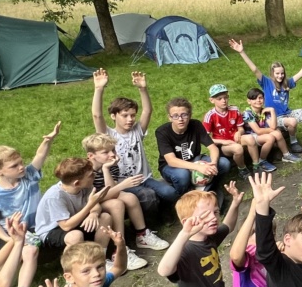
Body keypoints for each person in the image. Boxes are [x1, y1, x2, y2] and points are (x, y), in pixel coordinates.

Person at [0, 121, 61, 287]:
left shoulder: (29, 177)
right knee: (22, 254)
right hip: (10, 234)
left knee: (30, 249)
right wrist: (9, 239)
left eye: (20, 161)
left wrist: (48, 141)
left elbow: (40, 157)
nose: (21, 166)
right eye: (14, 166)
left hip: (34, 229)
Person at [156, 183, 244, 287]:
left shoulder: (208, 237)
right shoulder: (186, 250)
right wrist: (184, 234)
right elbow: (164, 270)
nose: (213, 218)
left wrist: (235, 202)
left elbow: (228, 226)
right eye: (205, 215)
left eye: (215, 212)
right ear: (186, 222)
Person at [90, 69, 178, 219]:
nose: (130, 119)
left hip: (145, 178)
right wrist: (99, 89)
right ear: (113, 116)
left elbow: (148, 111)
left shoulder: (137, 131)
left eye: (132, 115)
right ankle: (150, 223)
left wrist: (143, 89)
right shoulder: (108, 135)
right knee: (149, 196)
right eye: (124, 116)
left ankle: (163, 212)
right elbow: (97, 116)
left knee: (170, 193)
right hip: (124, 183)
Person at [82, 132, 168, 254]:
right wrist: (122, 185)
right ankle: (119, 249)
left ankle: (142, 235)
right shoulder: (86, 172)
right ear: (91, 156)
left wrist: (106, 169)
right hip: (88, 205)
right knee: (117, 204)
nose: (112, 154)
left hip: (104, 197)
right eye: (105, 152)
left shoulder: (111, 165)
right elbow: (94, 199)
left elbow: (112, 192)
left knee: (130, 197)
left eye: (113, 150)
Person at [230, 38, 302, 149]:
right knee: (292, 122)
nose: (280, 76)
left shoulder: (287, 83)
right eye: (277, 73)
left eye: (282, 73)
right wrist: (241, 52)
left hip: (288, 113)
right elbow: (254, 69)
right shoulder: (266, 83)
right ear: (272, 74)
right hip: (274, 118)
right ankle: (293, 142)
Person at [34, 158, 117, 262]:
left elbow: (95, 206)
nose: (94, 176)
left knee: (105, 217)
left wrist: (94, 214)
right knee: (75, 236)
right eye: (91, 175)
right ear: (77, 183)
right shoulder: (55, 196)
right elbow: (66, 225)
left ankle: (100, 258)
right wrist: (90, 206)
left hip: (74, 220)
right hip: (52, 230)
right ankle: (73, 269)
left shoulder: (86, 185)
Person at [155, 97, 222, 196]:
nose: (180, 119)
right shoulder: (162, 132)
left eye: (184, 115)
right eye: (175, 116)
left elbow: (213, 147)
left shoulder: (196, 125)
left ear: (190, 115)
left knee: (223, 163)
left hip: (193, 159)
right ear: (169, 117)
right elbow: (171, 160)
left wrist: (213, 164)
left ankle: (205, 190)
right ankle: (183, 197)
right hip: (170, 166)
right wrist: (197, 167)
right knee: (183, 175)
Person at [239, 87, 293, 173]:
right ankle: (261, 161)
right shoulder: (247, 113)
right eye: (254, 98)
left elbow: (273, 126)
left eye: (260, 98)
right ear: (249, 101)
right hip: (250, 136)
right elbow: (258, 131)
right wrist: (271, 130)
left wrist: (272, 111)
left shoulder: (264, 111)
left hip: (261, 134)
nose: (258, 100)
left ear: (264, 99)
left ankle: (286, 155)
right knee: (270, 137)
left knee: (277, 133)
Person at [203, 84, 250, 179]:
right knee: (238, 149)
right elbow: (205, 139)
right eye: (219, 99)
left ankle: (257, 164)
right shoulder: (210, 116)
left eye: (225, 97)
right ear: (212, 100)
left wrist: (239, 132)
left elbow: (241, 128)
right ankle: (242, 169)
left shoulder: (234, 109)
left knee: (250, 139)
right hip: (222, 146)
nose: (223, 101)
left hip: (235, 139)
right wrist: (223, 142)